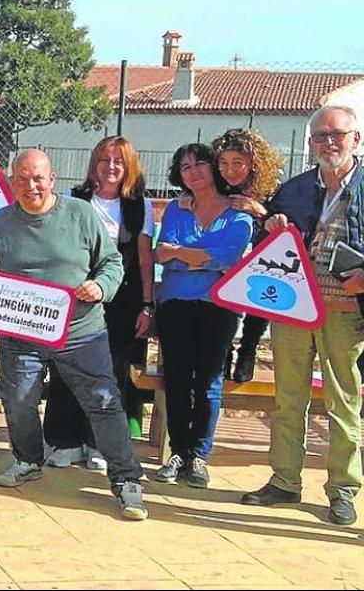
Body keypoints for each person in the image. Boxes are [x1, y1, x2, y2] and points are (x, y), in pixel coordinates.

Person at [0, 149, 148, 521]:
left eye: (38, 178)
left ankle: (127, 480)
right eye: (22, 178)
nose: (30, 185)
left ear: (52, 180)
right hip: (19, 336)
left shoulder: (80, 213)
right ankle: (27, 458)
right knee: (19, 399)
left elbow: (112, 262)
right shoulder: (1, 221)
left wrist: (100, 287)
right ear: (11, 183)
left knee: (104, 402)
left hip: (80, 332)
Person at [242, 105, 364, 526]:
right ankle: (285, 480)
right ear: (311, 143)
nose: (329, 143)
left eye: (338, 134)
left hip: (347, 311)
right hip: (293, 305)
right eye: (321, 136)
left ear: (356, 139)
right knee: (288, 397)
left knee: (343, 401)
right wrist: (270, 226)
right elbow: (263, 242)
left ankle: (343, 490)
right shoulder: (294, 189)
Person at [43, 136, 156, 468]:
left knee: (112, 373)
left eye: (118, 161)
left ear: (128, 167)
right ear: (93, 165)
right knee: (66, 369)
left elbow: (145, 257)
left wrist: (147, 305)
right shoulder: (71, 199)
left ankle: (98, 444)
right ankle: (63, 442)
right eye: (104, 160)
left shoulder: (140, 206)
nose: (110, 167)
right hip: (75, 300)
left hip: (122, 302)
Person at [151, 143, 252, 488]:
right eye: (184, 167)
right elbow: (163, 253)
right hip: (174, 303)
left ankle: (198, 456)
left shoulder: (239, 213)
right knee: (177, 379)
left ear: (213, 168)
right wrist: (198, 257)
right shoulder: (177, 210)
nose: (192, 171)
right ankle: (177, 451)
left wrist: (183, 255)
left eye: (199, 164)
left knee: (208, 381)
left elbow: (228, 258)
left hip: (219, 307)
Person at [209, 128, 284, 383]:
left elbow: (283, 229)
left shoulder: (272, 191)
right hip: (224, 263)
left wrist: (258, 210)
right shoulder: (216, 187)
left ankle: (248, 349)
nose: (229, 170)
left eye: (237, 163)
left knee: (261, 289)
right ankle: (225, 351)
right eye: (223, 163)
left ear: (254, 164)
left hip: (261, 262)